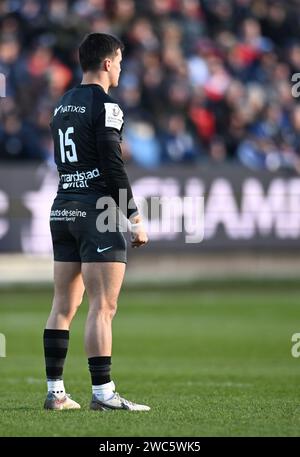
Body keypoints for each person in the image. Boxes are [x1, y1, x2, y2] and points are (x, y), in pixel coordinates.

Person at [43, 33, 149, 411]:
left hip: (63, 208)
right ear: (107, 62)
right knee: (103, 306)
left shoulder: (61, 104)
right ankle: (103, 394)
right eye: (119, 61)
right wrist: (134, 216)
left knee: (62, 306)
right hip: (96, 211)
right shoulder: (107, 106)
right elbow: (112, 164)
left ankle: (56, 392)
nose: (120, 68)